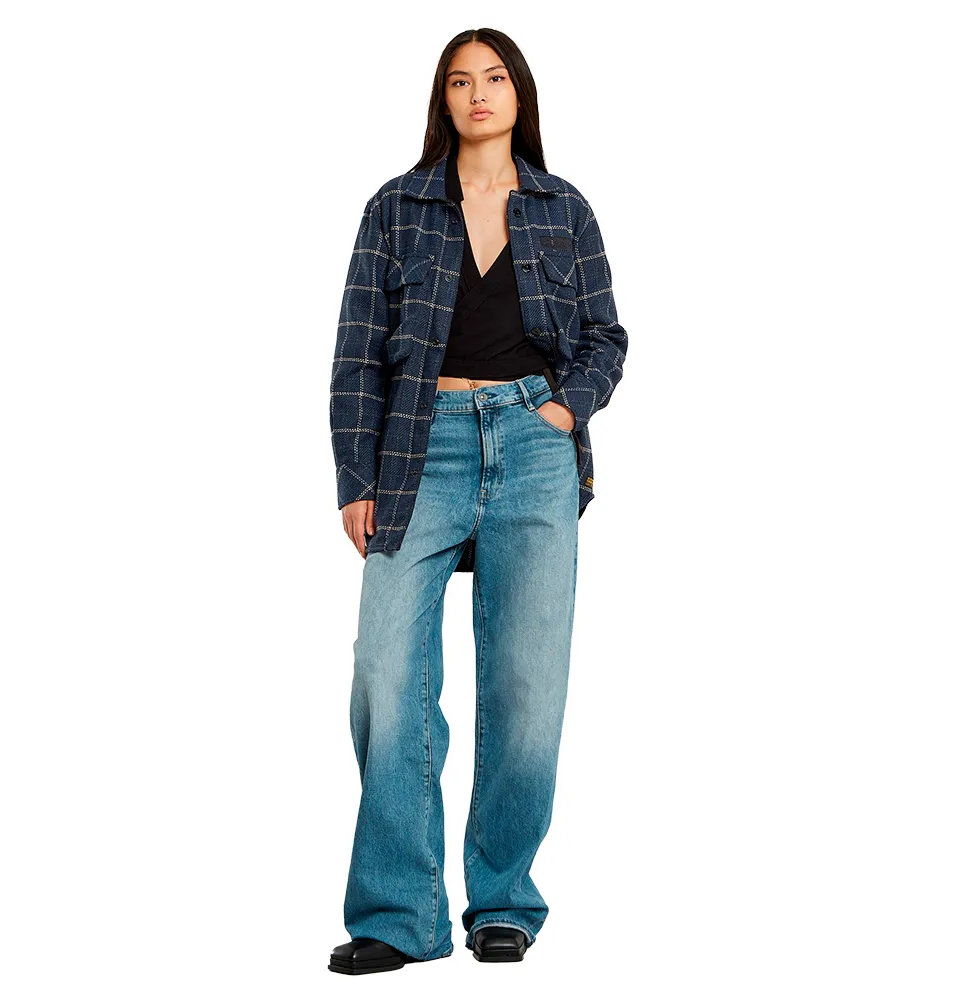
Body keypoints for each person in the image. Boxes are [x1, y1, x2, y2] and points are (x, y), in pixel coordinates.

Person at [327, 27, 628, 975]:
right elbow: (356, 352)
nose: (478, 94)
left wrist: (564, 408)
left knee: (526, 686)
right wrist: (357, 479)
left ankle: (503, 900)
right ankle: (399, 914)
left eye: (493, 77)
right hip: (420, 449)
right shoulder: (396, 207)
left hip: (534, 449)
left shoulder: (563, 208)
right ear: (443, 99)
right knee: (386, 672)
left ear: (518, 93)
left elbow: (606, 336)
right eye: (460, 81)